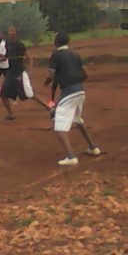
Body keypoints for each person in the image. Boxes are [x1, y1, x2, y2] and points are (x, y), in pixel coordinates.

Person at [44, 32, 102, 166]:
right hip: (80, 90)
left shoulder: (56, 55)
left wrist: (47, 81)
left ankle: (71, 156)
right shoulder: (75, 54)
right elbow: (86, 74)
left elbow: (52, 75)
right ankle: (93, 148)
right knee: (78, 120)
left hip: (69, 91)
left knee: (58, 125)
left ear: (56, 42)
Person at [0, 26, 50, 120]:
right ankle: (11, 114)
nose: (10, 32)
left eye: (12, 31)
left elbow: (30, 58)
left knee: (30, 93)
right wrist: (4, 58)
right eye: (9, 31)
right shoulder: (8, 43)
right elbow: (7, 55)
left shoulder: (20, 44)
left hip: (20, 72)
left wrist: (29, 71)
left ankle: (49, 108)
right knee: (3, 94)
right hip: (11, 72)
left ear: (16, 33)